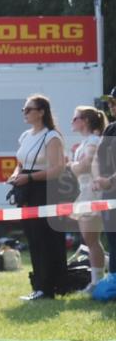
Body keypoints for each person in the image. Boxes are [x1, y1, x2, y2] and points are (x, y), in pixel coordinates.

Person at [6, 94, 66, 300]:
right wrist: (16, 175)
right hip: (27, 190)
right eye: (24, 109)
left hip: (45, 190)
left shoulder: (51, 136)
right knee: (32, 238)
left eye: (28, 109)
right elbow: (20, 163)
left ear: (41, 112)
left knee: (45, 239)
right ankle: (39, 285)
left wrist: (29, 178)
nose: (25, 112)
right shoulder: (25, 136)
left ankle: (49, 287)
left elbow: (58, 169)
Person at [70, 105, 107, 293]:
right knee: (91, 240)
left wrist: (69, 165)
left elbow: (84, 166)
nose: (72, 122)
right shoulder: (87, 141)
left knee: (91, 240)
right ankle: (98, 277)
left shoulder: (93, 140)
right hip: (86, 191)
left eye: (75, 118)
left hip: (93, 193)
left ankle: (96, 282)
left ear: (85, 121)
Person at [91, 87, 116, 279]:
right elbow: (97, 157)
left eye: (113, 102)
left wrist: (110, 180)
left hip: (111, 187)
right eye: (109, 102)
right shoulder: (110, 128)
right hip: (109, 195)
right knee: (112, 241)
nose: (110, 106)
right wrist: (99, 179)